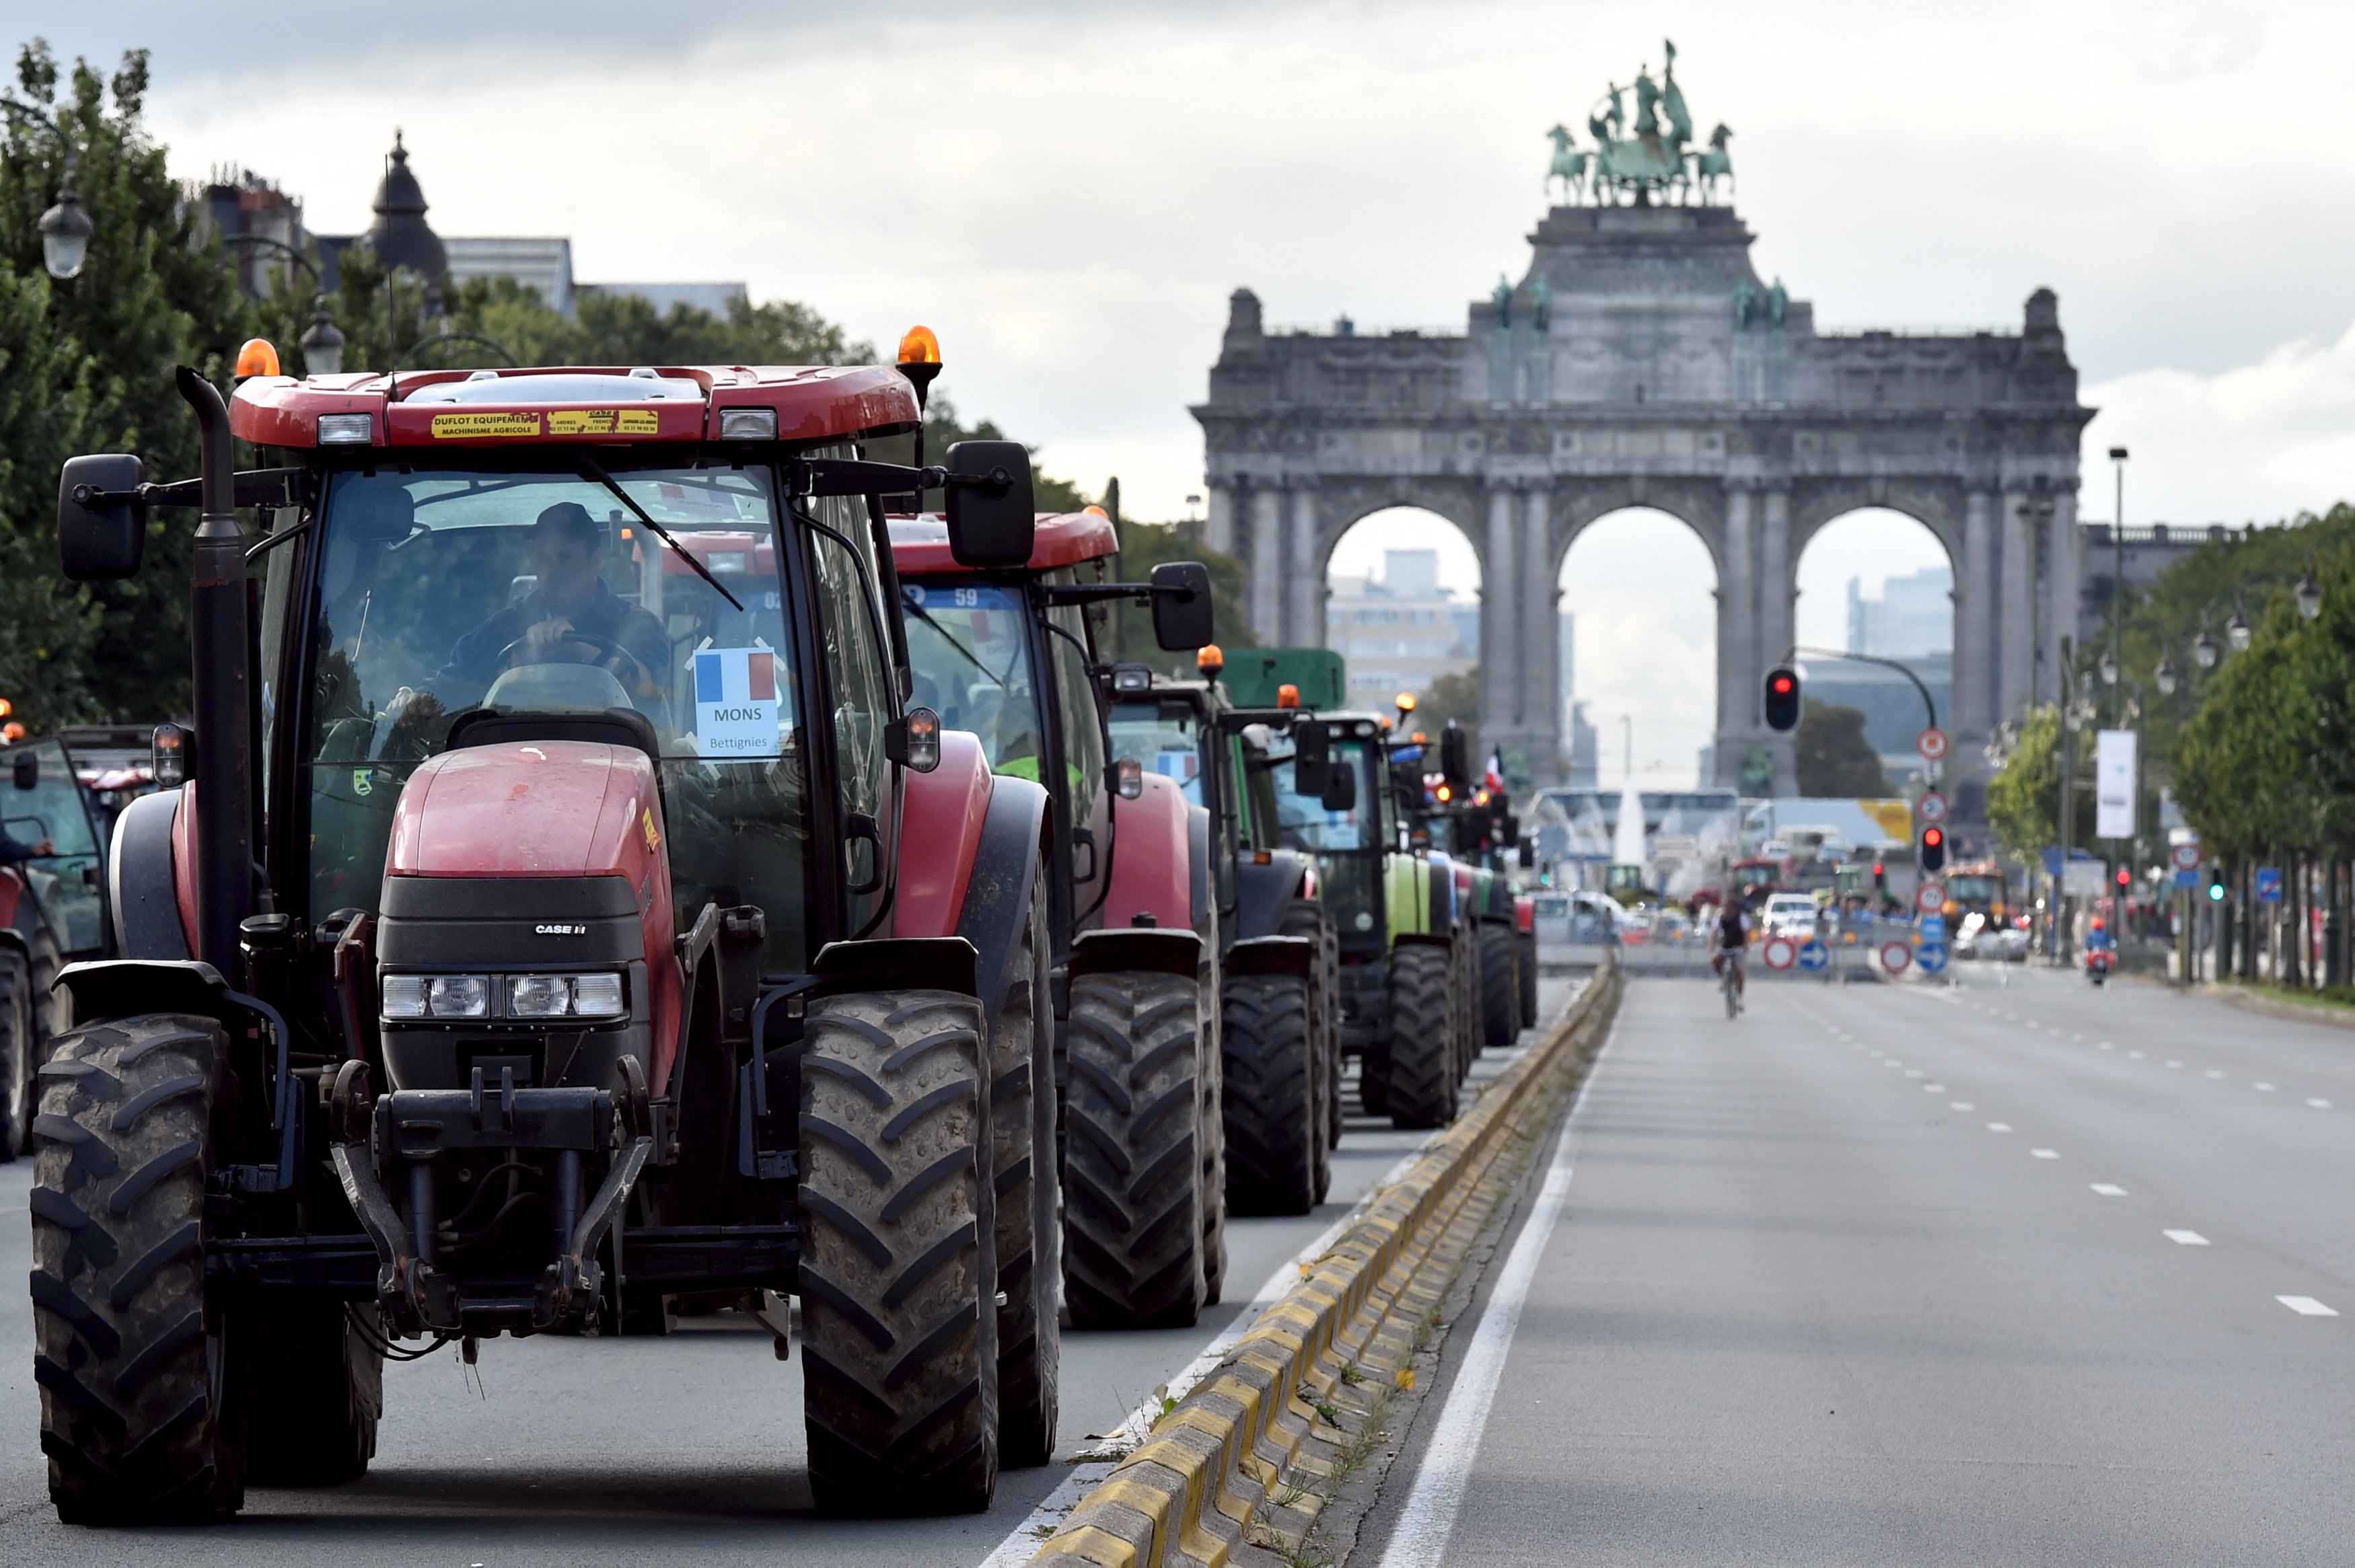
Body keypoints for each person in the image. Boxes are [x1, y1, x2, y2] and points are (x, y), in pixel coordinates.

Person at [445, 501, 669, 713]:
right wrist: (417, 703)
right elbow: (447, 688)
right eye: (543, 558)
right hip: (515, 750)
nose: (552, 571)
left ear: (595, 561)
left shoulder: (637, 625)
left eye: (565, 558)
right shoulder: (502, 630)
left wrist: (582, 648)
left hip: (615, 750)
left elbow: (652, 691)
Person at [1711, 897, 1749, 1007]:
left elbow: (1746, 932)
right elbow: (1714, 932)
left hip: (1738, 947)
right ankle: (1723, 979)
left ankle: (1740, 998)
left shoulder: (1741, 916)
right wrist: (1712, 944)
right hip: (1725, 946)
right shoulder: (1720, 916)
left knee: (1739, 971)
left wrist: (1746, 945)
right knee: (1716, 960)